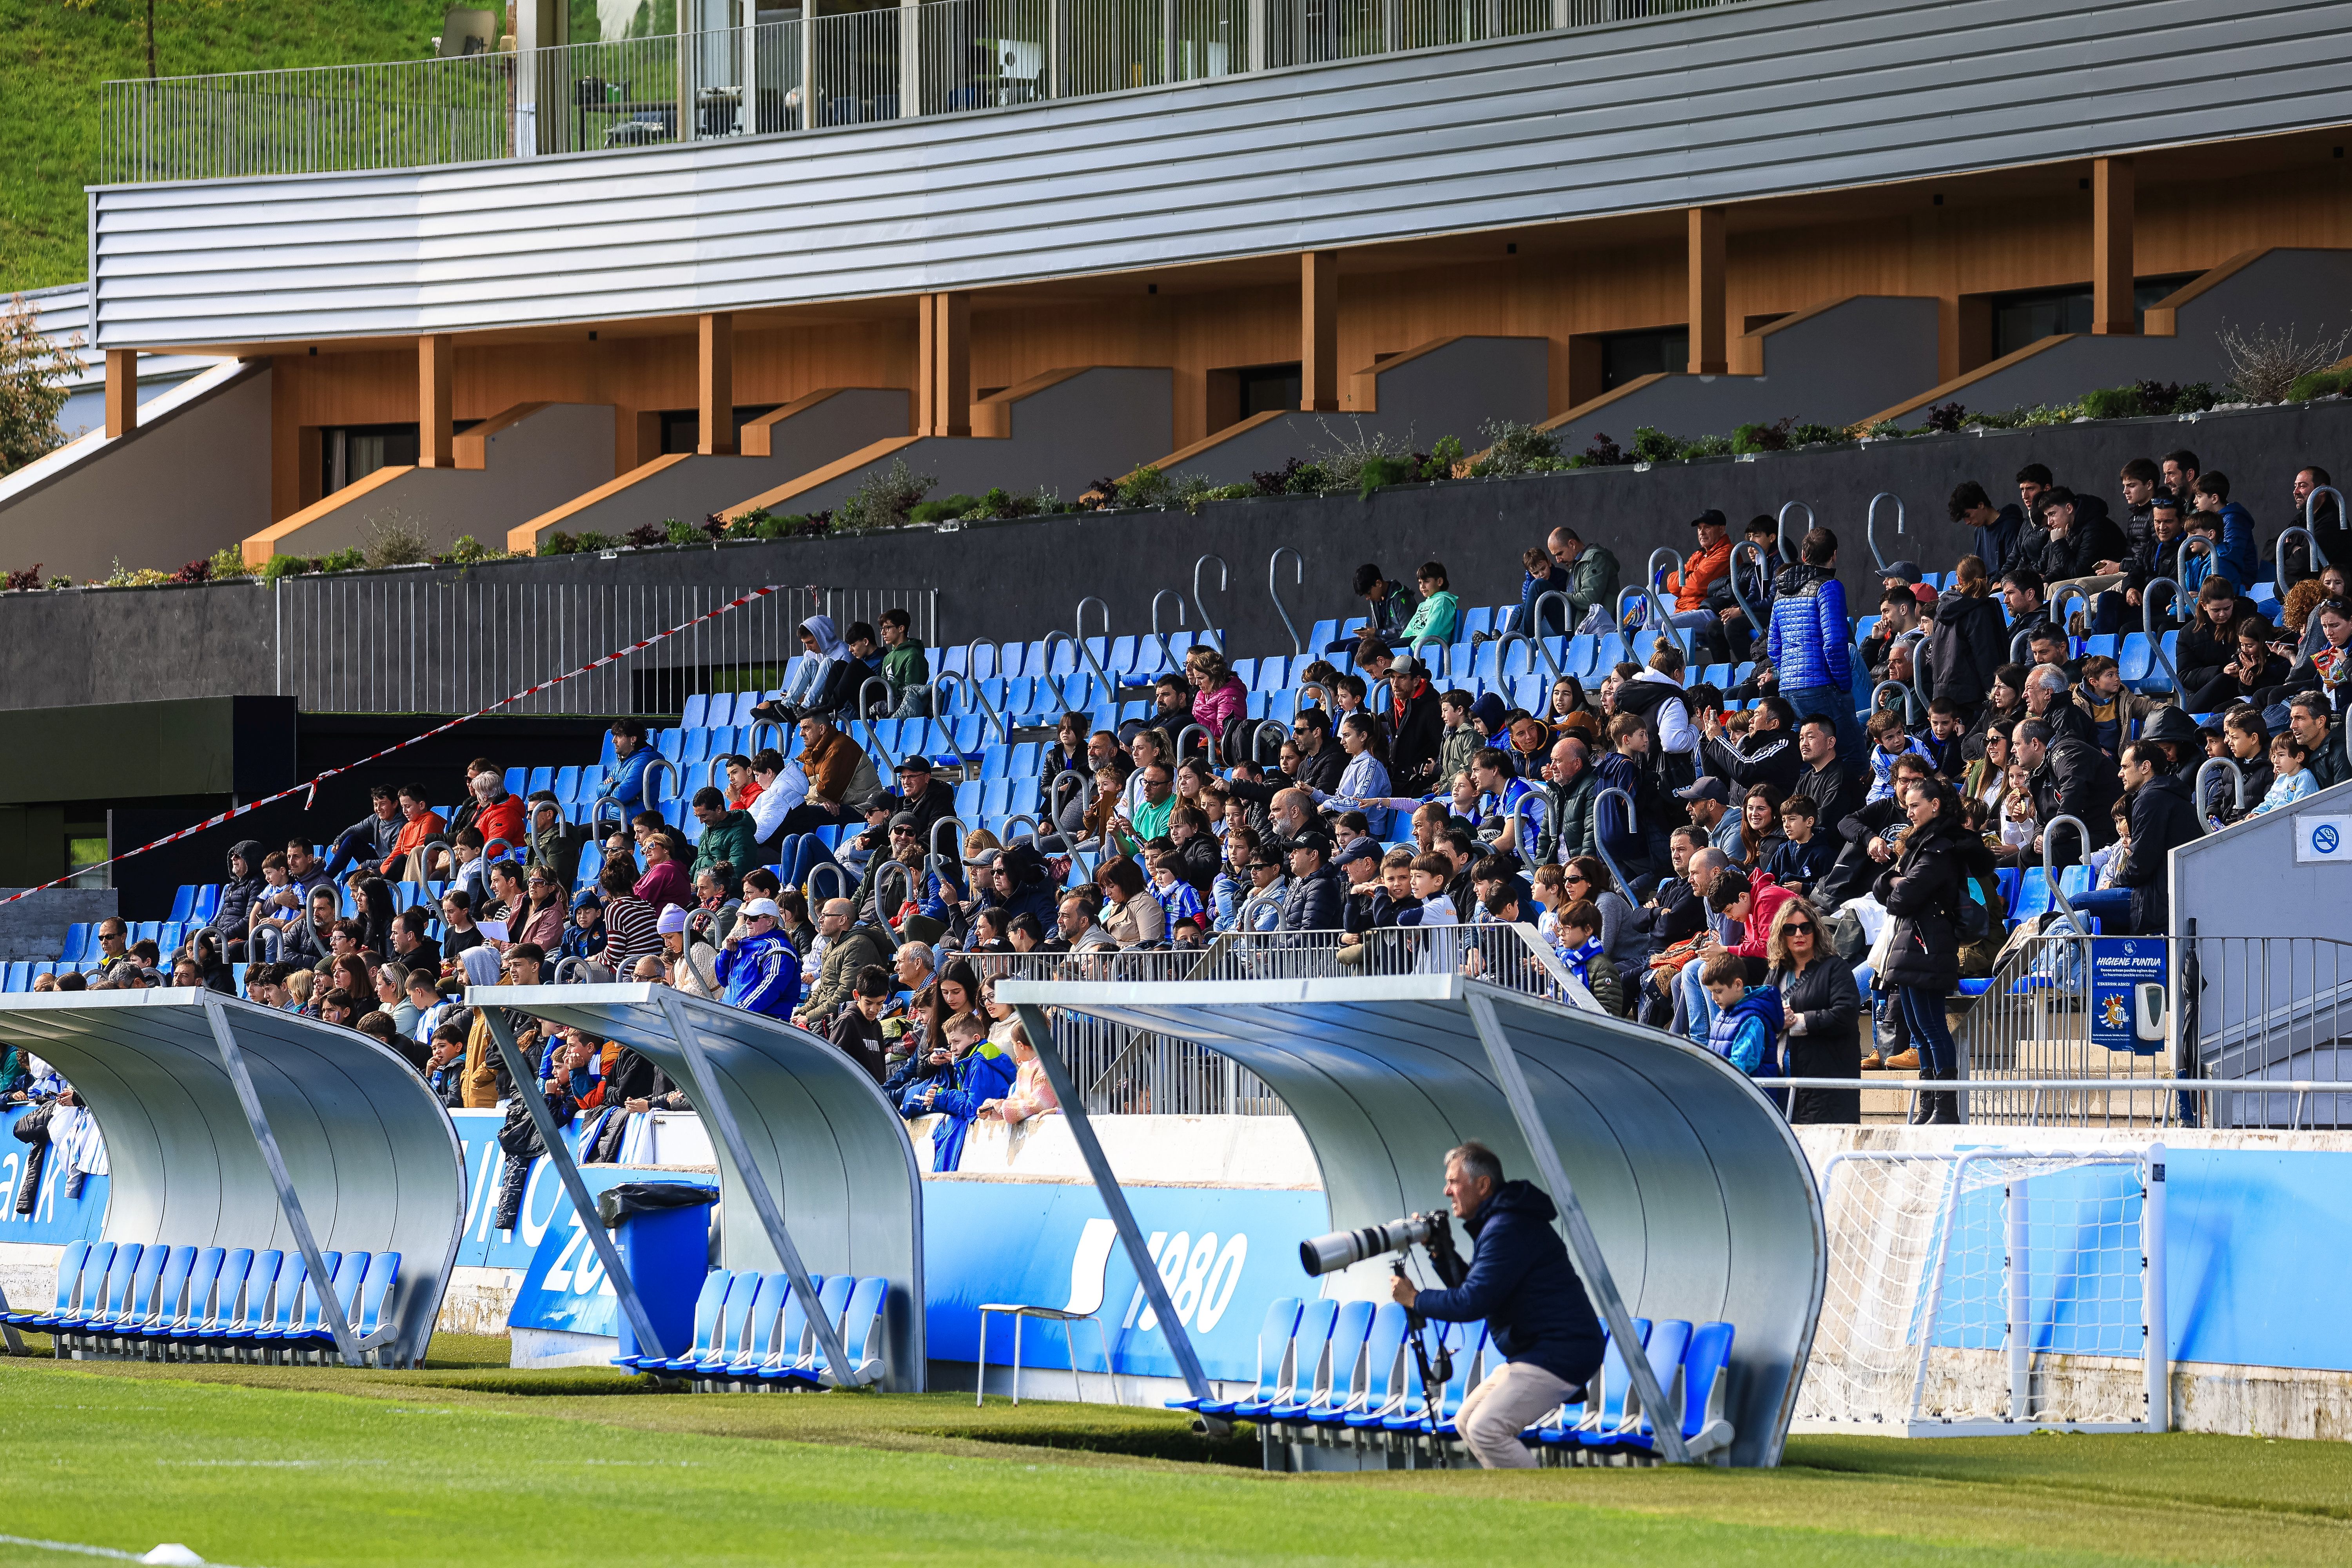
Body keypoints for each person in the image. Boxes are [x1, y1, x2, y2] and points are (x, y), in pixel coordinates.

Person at [1389, 1142, 1605, 1472]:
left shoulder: (1507, 1228)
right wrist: (1438, 1249)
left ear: (1483, 1185)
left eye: (1454, 1182)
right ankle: (1515, 1504)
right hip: (1539, 1350)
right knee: (1467, 1421)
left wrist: (1416, 1299)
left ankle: (1546, 1507)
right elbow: (1475, 1288)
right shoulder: (1503, 1222)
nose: (1447, 1191)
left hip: (1560, 1350)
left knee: (1486, 1428)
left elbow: (1471, 1303)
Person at [1873, 778, 1985, 1125]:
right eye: (1906, 806)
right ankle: (1928, 1106)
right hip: (1912, 946)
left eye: (1915, 805)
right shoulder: (1920, 845)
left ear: (1935, 806)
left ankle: (1945, 1108)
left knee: (1932, 1027)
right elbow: (1883, 887)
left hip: (1929, 947)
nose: (1908, 812)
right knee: (1919, 1032)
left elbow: (1901, 898)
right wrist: (1894, 882)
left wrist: (1895, 884)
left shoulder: (1940, 848)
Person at [1765, 526, 1861, 760]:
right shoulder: (1830, 587)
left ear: (1805, 557)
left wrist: (1789, 672)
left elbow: (1773, 648)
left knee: (1805, 760)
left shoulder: (1781, 593)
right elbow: (1836, 643)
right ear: (1835, 555)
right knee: (1852, 754)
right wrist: (1843, 684)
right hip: (1823, 686)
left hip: (1788, 688)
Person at [1764, 900, 1860, 1122]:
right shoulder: (1775, 973)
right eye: (1790, 929)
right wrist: (1776, 1020)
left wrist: (1798, 1021)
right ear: (1781, 935)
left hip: (1825, 1084)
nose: (1799, 934)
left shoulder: (1836, 968)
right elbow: (1763, 1017)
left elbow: (1845, 1014)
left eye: (1805, 927)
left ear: (1815, 931)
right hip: (1783, 1083)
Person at [712, 897, 800, 1016]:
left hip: (764, 1021)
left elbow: (771, 987)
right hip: (736, 1017)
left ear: (770, 921)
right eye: (746, 917)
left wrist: (740, 1012)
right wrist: (728, 953)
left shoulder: (778, 948)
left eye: (753, 918)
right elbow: (723, 980)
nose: (747, 922)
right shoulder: (744, 944)